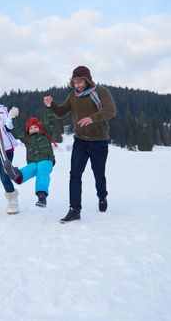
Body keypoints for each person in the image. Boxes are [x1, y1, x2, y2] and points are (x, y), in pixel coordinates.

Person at [43, 66, 116, 223]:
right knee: (75, 174)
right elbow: (61, 112)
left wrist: (92, 118)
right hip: (80, 141)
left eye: (80, 81)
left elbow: (111, 110)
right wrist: (52, 104)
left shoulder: (101, 92)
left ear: (87, 80)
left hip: (99, 141)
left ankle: (102, 196)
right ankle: (74, 209)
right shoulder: (73, 96)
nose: (77, 85)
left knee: (98, 174)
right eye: (75, 82)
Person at [6, 117, 57, 208]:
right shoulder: (27, 139)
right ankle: (17, 175)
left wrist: (48, 108)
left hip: (46, 160)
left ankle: (42, 196)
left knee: (42, 171)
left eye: (35, 127)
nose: (33, 130)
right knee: (31, 168)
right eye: (31, 128)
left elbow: (50, 122)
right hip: (33, 162)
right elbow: (19, 131)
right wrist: (14, 118)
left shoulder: (45, 134)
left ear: (40, 127)